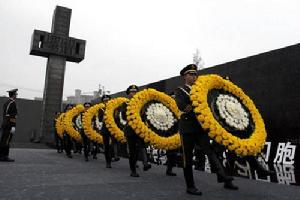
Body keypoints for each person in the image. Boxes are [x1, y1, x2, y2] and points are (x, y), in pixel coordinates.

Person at [174, 64, 238, 195]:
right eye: (191, 75)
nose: (194, 77)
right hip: (187, 128)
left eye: (195, 74)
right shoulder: (180, 90)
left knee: (210, 151)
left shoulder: (202, 89)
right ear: (185, 76)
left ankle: (223, 178)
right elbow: (184, 107)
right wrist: (200, 108)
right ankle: (190, 186)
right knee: (187, 157)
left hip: (201, 127)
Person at [121, 85, 151, 177]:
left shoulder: (141, 103)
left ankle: (145, 164)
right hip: (130, 129)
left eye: (135, 92)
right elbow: (123, 117)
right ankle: (133, 170)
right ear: (128, 94)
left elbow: (144, 116)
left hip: (140, 129)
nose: (134, 93)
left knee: (142, 146)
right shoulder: (125, 104)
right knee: (133, 150)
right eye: (132, 92)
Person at [0, 89, 18, 162]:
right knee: (6, 141)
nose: (16, 95)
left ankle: (1, 155)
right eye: (16, 94)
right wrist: (13, 126)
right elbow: (12, 116)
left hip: (4, 124)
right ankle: (4, 156)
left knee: (3, 140)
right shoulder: (12, 103)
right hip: (9, 125)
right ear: (13, 95)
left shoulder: (6, 102)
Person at [99, 95, 113, 168]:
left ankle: (114, 156)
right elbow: (100, 119)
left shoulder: (114, 107)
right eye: (105, 100)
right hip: (105, 129)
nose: (106, 101)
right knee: (107, 146)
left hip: (114, 129)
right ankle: (108, 161)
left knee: (114, 144)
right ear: (103, 102)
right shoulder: (101, 109)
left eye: (108, 100)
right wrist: (106, 115)